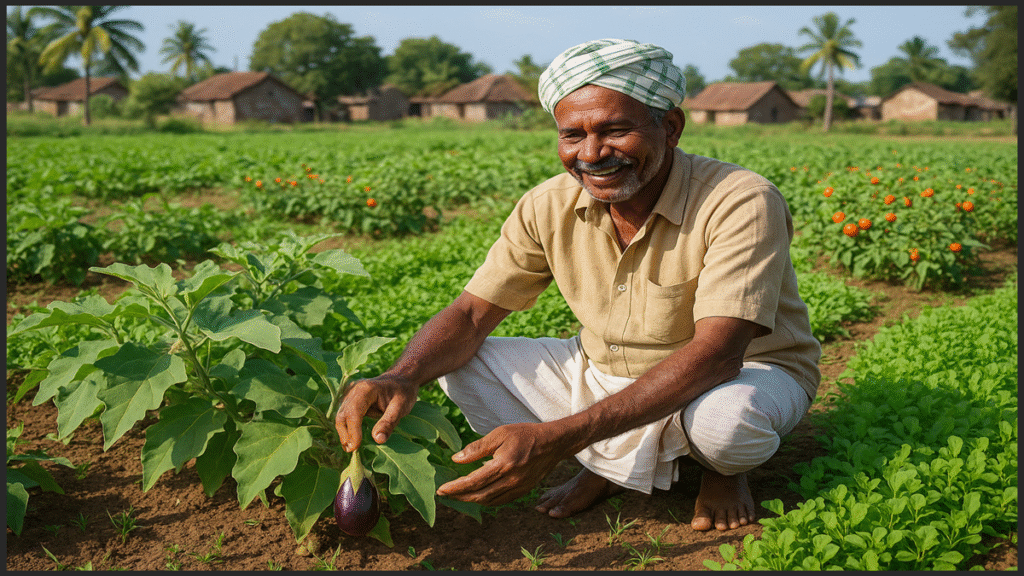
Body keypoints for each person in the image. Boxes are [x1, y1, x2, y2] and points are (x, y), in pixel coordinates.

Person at [336, 38, 821, 532]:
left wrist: (560, 439)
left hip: (743, 370)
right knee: (464, 364)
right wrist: (402, 375)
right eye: (573, 135)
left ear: (670, 128)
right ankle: (611, 467)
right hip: (607, 368)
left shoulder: (738, 200)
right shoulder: (547, 205)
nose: (591, 154)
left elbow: (718, 354)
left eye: (615, 130)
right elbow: (470, 315)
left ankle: (718, 473)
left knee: (725, 428)